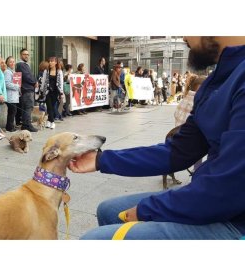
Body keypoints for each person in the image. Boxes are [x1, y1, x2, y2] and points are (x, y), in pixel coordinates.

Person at [69, 36, 245, 240]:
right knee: (108, 210)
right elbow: (177, 152)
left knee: (91, 241)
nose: (183, 36)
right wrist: (101, 159)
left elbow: (231, 187)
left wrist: (148, 210)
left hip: (235, 219)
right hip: (216, 197)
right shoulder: (217, 81)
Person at [15, 48, 38, 132]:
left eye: (27, 54)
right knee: (28, 107)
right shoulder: (21, 65)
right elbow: (27, 76)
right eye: (24, 54)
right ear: (21, 55)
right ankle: (27, 125)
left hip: (28, 89)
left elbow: (30, 75)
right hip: (26, 90)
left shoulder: (25, 64)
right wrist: (34, 81)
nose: (26, 56)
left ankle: (25, 125)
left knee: (27, 108)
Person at [39, 57, 64, 129]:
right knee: (49, 106)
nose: (50, 62)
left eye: (52, 61)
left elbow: (61, 82)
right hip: (47, 91)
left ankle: (48, 121)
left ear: (56, 62)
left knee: (52, 107)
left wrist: (61, 92)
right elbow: (43, 81)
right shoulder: (46, 71)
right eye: (49, 61)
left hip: (56, 92)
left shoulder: (59, 71)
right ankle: (52, 122)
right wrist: (41, 91)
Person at [4, 56, 20, 132]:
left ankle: (10, 126)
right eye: (10, 62)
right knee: (12, 111)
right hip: (10, 96)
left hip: (14, 96)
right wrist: (17, 86)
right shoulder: (7, 72)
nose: (12, 63)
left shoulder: (13, 72)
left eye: (13, 62)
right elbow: (7, 84)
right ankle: (10, 127)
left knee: (13, 111)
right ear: (7, 63)